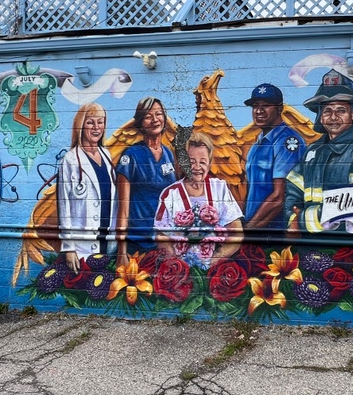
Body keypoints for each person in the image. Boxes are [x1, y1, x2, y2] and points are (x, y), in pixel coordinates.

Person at [285, 69, 353, 234]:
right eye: (327, 111)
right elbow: (292, 189)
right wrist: (293, 219)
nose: (333, 117)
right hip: (315, 239)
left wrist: (301, 221)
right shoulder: (314, 151)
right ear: (320, 117)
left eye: (341, 110)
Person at [154, 132, 244, 268]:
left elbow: (237, 233)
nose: (197, 167)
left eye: (202, 162)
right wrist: (181, 267)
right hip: (181, 270)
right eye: (191, 162)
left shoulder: (220, 188)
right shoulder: (169, 194)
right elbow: (162, 238)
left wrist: (213, 261)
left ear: (209, 163)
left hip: (216, 267)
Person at [115, 97, 177, 266]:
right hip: (137, 244)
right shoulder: (131, 155)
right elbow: (123, 209)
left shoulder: (169, 155)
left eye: (159, 114)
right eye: (149, 116)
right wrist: (121, 252)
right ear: (141, 123)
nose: (155, 119)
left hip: (163, 243)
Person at [58, 103, 117, 272]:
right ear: (81, 125)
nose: (96, 127)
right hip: (82, 245)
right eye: (91, 122)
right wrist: (69, 247)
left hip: (108, 240)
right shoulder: (70, 160)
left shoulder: (106, 155)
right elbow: (65, 206)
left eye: (101, 122)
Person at [242, 83, 306, 232]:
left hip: (276, 233)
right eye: (255, 106)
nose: (259, 111)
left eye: (266, 105)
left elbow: (279, 197)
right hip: (256, 228)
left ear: (280, 109)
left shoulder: (287, 142)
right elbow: (253, 189)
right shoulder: (258, 144)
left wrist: (248, 231)